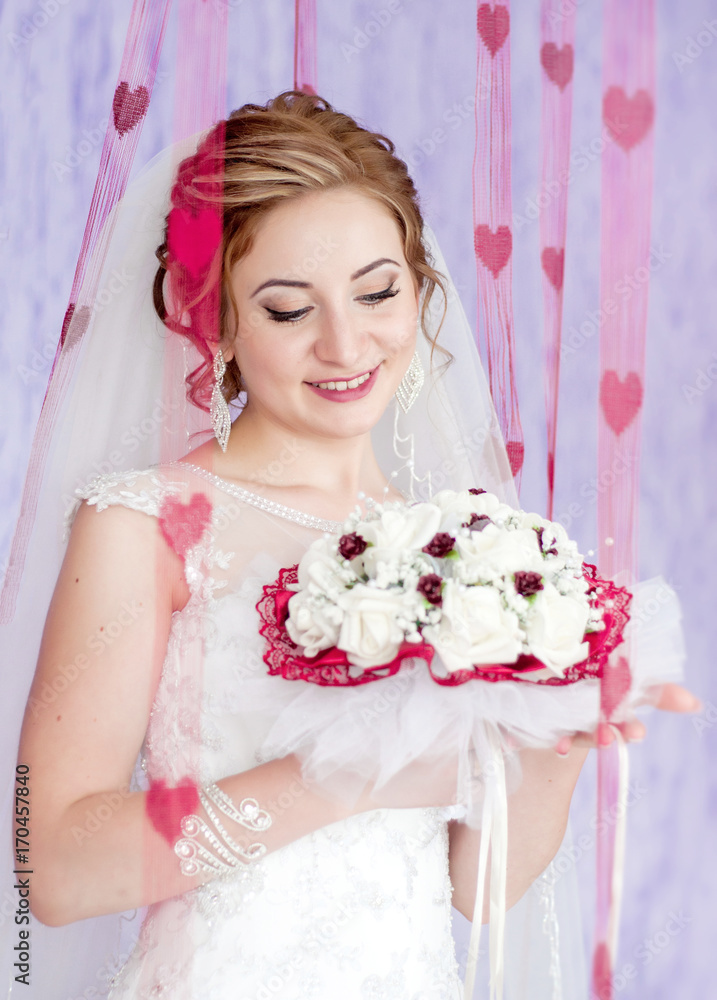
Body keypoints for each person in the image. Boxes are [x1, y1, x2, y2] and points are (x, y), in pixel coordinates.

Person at [7, 91, 692, 999]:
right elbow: (47, 866)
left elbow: (477, 892)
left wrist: (554, 737)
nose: (345, 343)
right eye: (289, 310)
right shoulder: (148, 523)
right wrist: (342, 778)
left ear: (419, 284)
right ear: (214, 320)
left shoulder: (470, 549)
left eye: (376, 292)